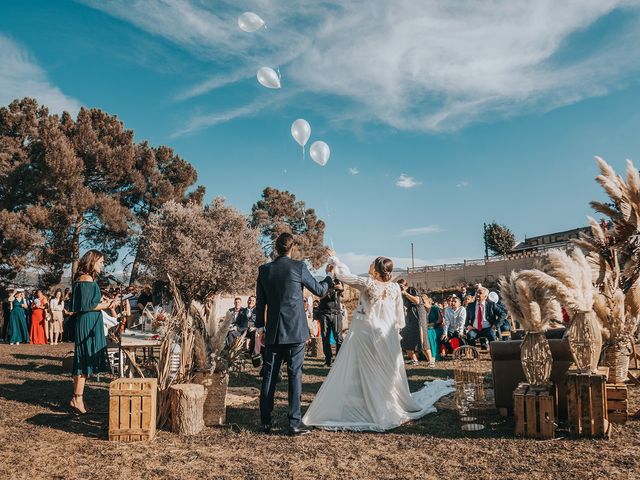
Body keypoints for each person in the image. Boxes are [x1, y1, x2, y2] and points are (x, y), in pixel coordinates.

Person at [303, 251, 454, 431]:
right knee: (386, 369)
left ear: (376, 270)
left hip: (366, 334)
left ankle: (371, 405)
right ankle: (382, 402)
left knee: (366, 369)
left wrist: (335, 259)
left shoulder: (367, 283)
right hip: (387, 334)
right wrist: (395, 330)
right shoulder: (395, 288)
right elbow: (399, 316)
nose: (369, 266)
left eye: (372, 264)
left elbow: (344, 276)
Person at [255, 233, 332, 436]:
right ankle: (294, 422)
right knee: (294, 376)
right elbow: (319, 290)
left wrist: (260, 328)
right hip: (296, 332)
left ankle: (265, 422)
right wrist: (329, 279)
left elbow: (260, 302)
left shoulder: (264, 270)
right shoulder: (299, 267)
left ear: (276, 248)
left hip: (273, 332)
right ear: (292, 248)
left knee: (269, 376)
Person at [70, 250, 116, 414]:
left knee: (83, 360)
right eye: (101, 262)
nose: (102, 265)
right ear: (92, 261)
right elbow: (88, 306)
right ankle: (77, 399)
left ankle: (78, 398)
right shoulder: (86, 279)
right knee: (84, 361)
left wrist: (104, 302)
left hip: (88, 321)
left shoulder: (84, 278)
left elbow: (88, 302)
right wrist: (108, 305)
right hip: (88, 322)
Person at [315, 271, 345, 367]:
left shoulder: (338, 281)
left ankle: (339, 360)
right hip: (324, 313)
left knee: (338, 337)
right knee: (325, 338)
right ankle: (328, 360)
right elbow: (321, 295)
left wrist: (336, 286)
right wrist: (330, 287)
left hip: (336, 313)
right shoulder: (323, 282)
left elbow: (341, 288)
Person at [397, 279, 422, 365]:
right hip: (404, 318)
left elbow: (417, 301)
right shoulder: (399, 293)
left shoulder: (411, 290)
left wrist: (406, 293)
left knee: (413, 339)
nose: (400, 288)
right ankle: (414, 359)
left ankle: (419, 358)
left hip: (414, 316)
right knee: (404, 339)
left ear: (405, 285)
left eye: (401, 286)